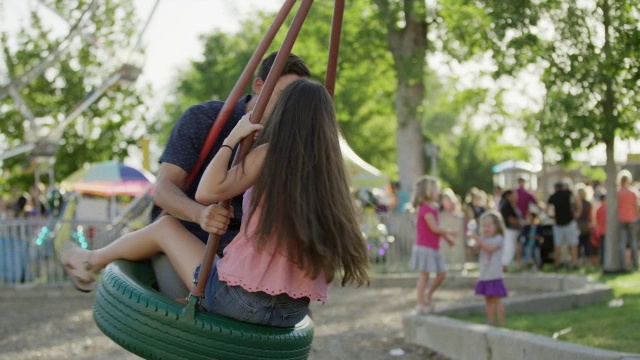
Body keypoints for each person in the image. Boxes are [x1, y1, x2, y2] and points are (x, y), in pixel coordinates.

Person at [59, 78, 370, 327]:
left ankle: (89, 261)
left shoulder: (269, 154)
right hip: (292, 314)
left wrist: (233, 138)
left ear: (285, 113)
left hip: (241, 302)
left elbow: (207, 192)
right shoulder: (331, 177)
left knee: (165, 226)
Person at [151, 52, 312, 298]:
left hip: (244, 256)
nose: (287, 109)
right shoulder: (205, 119)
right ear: (259, 86)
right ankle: (90, 259)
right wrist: (201, 214)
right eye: (281, 97)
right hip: (190, 232)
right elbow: (163, 190)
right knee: (186, 302)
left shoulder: (285, 142)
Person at [409, 176, 456, 314]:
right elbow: (435, 228)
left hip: (433, 247)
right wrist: (450, 232)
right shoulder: (424, 208)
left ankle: (428, 295)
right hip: (424, 247)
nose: (438, 192)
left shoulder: (433, 208)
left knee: (442, 273)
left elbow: (436, 230)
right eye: (436, 189)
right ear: (428, 191)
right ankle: (420, 303)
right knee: (424, 275)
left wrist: (447, 239)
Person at [467, 210, 508, 325]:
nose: (486, 228)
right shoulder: (483, 239)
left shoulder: (499, 239)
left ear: (497, 226)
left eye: (489, 226)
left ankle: (501, 321)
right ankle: (490, 320)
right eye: (484, 226)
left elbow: (489, 249)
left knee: (496, 299)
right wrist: (472, 239)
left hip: (494, 275)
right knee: (488, 299)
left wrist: (478, 239)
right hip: (485, 275)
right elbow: (475, 249)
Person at [547, 181, 581, 269]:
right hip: (569, 221)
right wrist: (578, 211)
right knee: (573, 244)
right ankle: (575, 263)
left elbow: (547, 208)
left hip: (558, 223)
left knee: (558, 245)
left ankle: (557, 263)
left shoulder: (553, 196)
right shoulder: (568, 193)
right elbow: (577, 200)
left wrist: (551, 216)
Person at [617, 171, 638, 270]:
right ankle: (635, 263)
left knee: (622, 242)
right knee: (633, 242)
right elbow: (637, 206)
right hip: (632, 219)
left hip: (621, 219)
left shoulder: (618, 193)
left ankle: (623, 264)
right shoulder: (633, 192)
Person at [499, 190, 523, 269]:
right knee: (508, 248)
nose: (515, 197)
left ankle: (515, 264)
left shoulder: (512, 205)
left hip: (515, 230)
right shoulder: (506, 206)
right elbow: (510, 219)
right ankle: (504, 265)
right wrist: (521, 223)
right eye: (513, 196)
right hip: (509, 230)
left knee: (515, 247)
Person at [575, 186, 594, 267]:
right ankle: (587, 261)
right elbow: (591, 216)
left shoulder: (577, 204)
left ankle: (579, 260)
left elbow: (576, 215)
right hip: (586, 225)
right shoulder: (588, 203)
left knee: (578, 244)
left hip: (579, 225)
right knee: (586, 244)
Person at [594, 193, 606, 266]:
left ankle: (602, 262)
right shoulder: (607, 208)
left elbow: (596, 220)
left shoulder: (598, 209)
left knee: (602, 248)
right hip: (606, 231)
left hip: (601, 231)